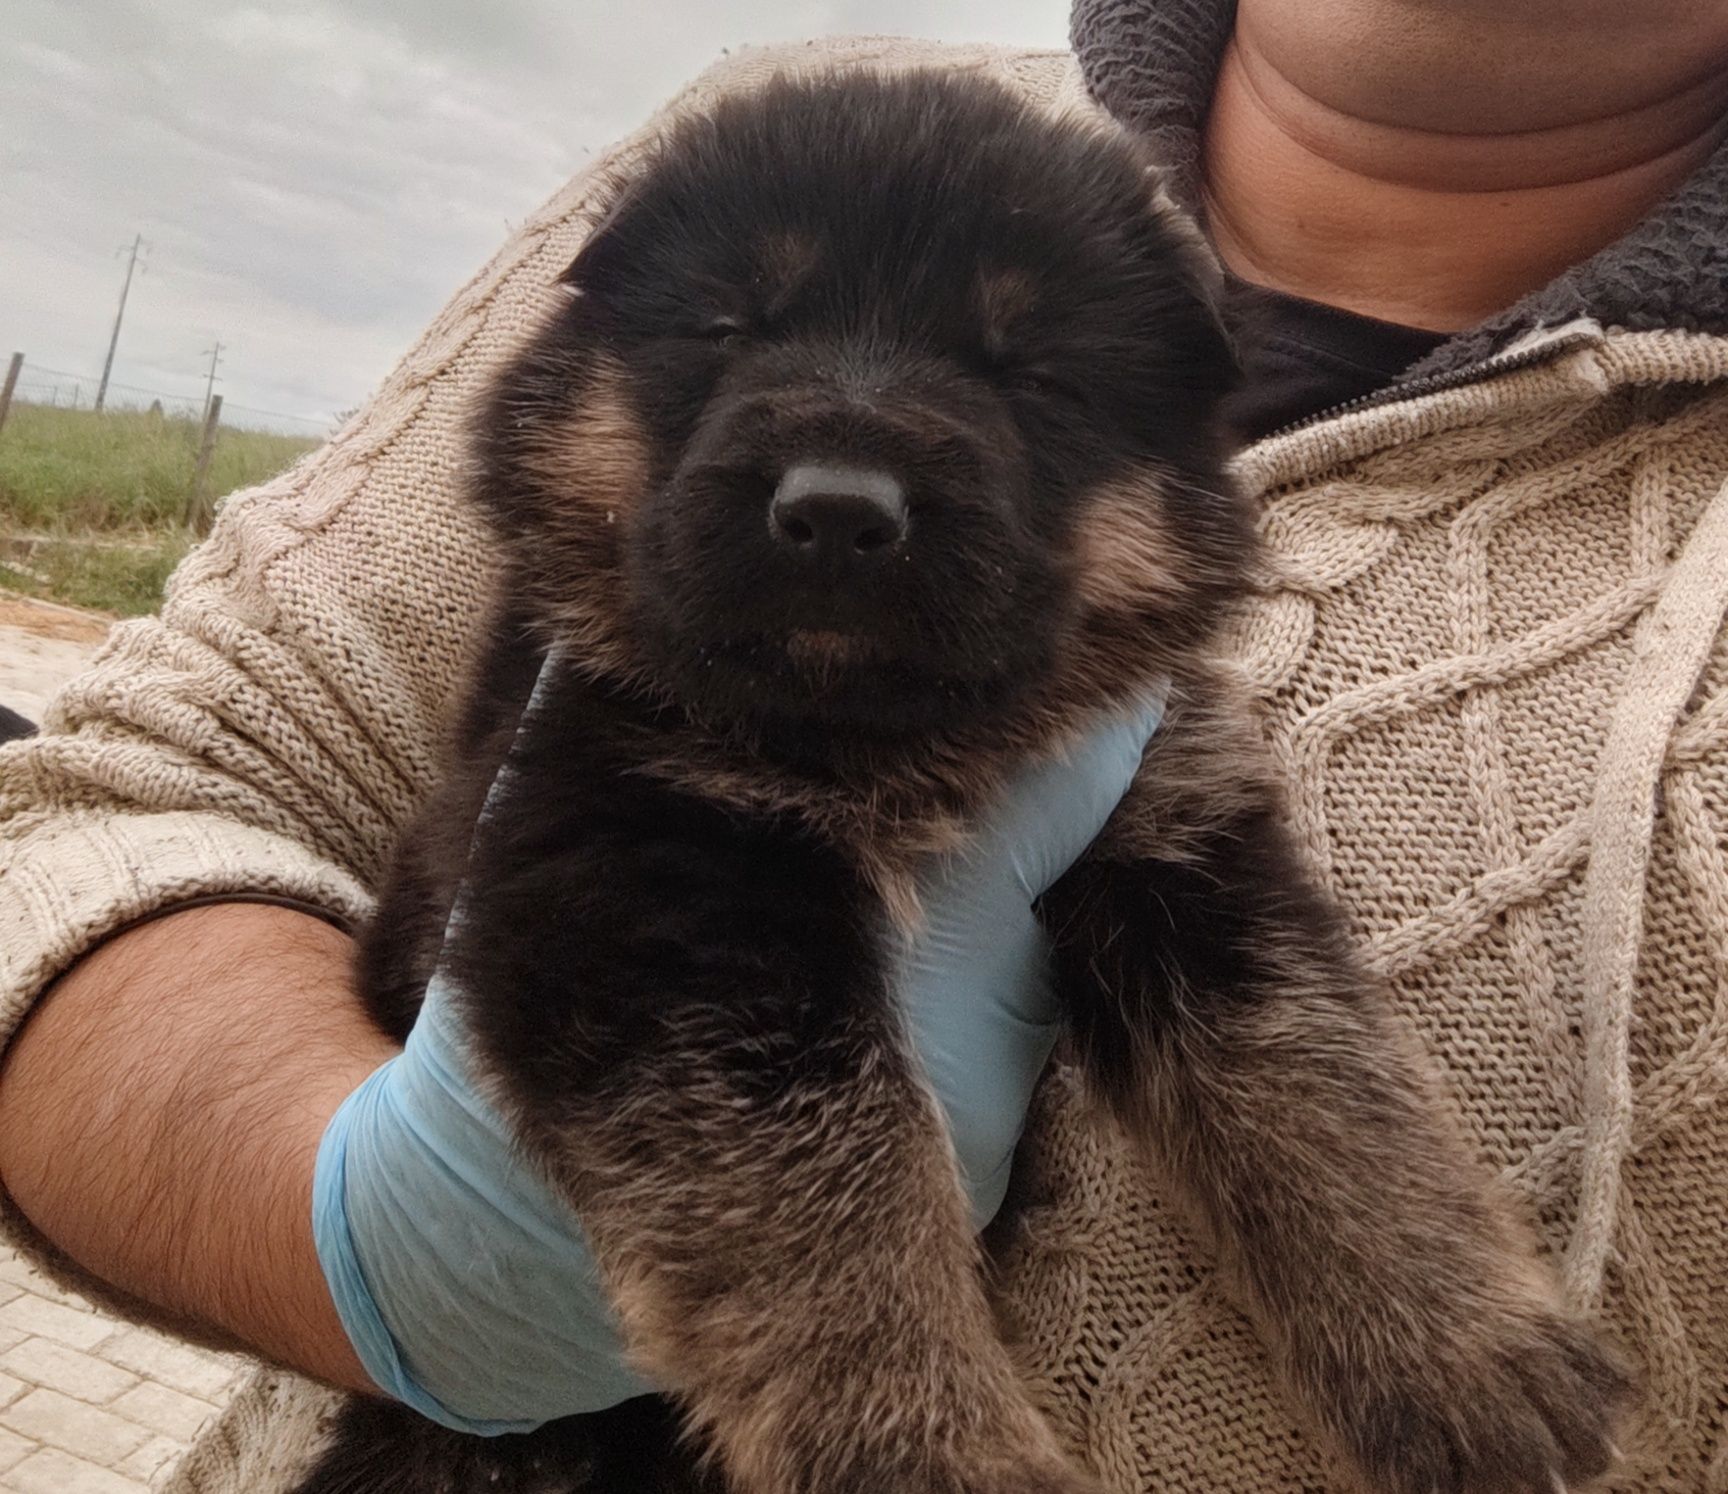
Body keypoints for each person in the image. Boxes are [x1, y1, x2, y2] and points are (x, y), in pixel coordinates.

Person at [1, 0, 1724, 1487]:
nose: (843, 466)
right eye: (735, 341)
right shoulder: (751, 134)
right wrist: (367, 1250)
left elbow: (1244, 985)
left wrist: (1421, 1305)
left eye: (1029, 384)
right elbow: (117, 801)